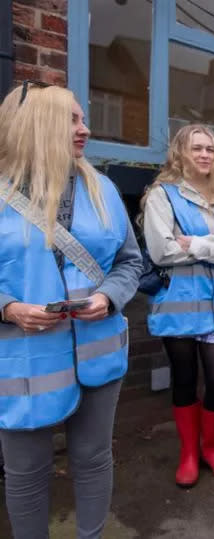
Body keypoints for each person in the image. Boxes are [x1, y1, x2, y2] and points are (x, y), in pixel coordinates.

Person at [0, 83, 142, 539]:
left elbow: (129, 262)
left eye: (84, 119)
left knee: (93, 457)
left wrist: (109, 297)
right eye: (74, 119)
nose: (87, 128)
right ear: (38, 124)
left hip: (100, 351)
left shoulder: (103, 188)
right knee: (25, 472)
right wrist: (9, 307)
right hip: (23, 361)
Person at [141, 124, 214, 487]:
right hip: (180, 305)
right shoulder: (162, 195)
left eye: (210, 148)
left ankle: (212, 448)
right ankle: (189, 453)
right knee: (185, 380)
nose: (205, 154)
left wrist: (199, 245)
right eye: (197, 148)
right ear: (181, 153)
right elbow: (162, 251)